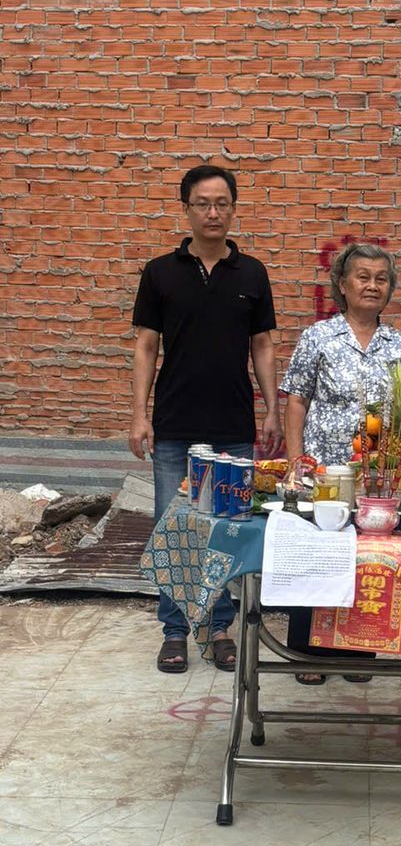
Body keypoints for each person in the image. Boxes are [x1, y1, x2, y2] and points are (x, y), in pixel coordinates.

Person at [130, 164, 282, 674]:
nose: (213, 212)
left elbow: (262, 346)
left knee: (227, 532)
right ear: (187, 209)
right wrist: (139, 415)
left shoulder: (252, 273)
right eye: (202, 203)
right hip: (174, 425)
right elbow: (146, 346)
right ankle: (175, 631)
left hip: (232, 429)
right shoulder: (160, 272)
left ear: (233, 209)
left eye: (222, 203)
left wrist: (272, 410)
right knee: (174, 530)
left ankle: (219, 629)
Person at [280, 242, 401, 684]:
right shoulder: (319, 337)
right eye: (363, 277)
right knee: (317, 554)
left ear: (390, 288)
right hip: (323, 470)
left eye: (381, 279)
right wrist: (296, 460)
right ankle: (307, 653)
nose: (372, 285)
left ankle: (357, 651)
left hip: (374, 475)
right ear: (342, 283)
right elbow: (297, 400)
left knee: (367, 557)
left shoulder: (400, 346)